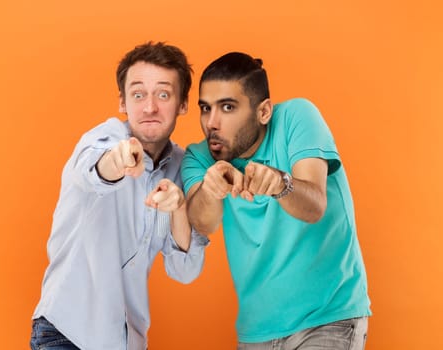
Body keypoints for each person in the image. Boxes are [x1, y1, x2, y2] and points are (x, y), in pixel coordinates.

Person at [182, 52, 371, 350]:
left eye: (227, 107)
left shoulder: (297, 117)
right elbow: (202, 222)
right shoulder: (199, 156)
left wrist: (281, 184)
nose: (212, 123)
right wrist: (211, 188)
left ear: (264, 112)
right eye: (205, 108)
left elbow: (315, 206)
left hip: (327, 318)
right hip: (256, 331)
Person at [30, 41, 209, 350]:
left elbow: (185, 270)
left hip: (126, 341)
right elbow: (96, 169)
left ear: (182, 104)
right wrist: (122, 158)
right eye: (138, 94)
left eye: (163, 94)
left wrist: (179, 205)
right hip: (67, 332)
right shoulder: (103, 138)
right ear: (123, 102)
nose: (150, 107)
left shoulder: (180, 165)